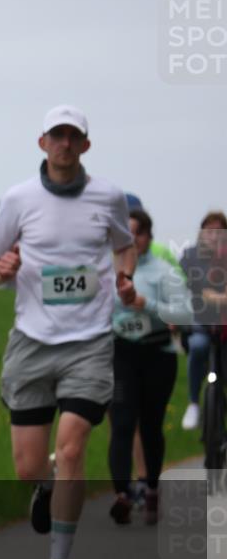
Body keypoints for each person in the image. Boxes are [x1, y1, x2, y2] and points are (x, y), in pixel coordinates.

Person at [0, 104, 137, 559]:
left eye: (74, 136)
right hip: (32, 340)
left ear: (85, 145)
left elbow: (124, 245)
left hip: (89, 342)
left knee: (71, 448)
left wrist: (125, 277)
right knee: (30, 467)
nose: (65, 144)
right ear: (42, 142)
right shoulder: (19, 198)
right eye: (57, 135)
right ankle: (43, 487)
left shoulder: (108, 196)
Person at [108, 209, 192, 525]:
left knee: (151, 424)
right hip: (120, 353)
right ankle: (123, 494)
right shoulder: (106, 270)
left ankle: (151, 486)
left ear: (148, 236)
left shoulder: (163, 271)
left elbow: (184, 314)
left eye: (138, 233)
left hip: (157, 353)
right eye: (126, 234)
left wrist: (148, 305)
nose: (132, 240)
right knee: (122, 421)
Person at [180, 211, 227, 430]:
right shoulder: (190, 256)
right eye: (210, 231)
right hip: (200, 321)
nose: (214, 236)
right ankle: (194, 403)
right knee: (198, 347)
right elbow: (191, 285)